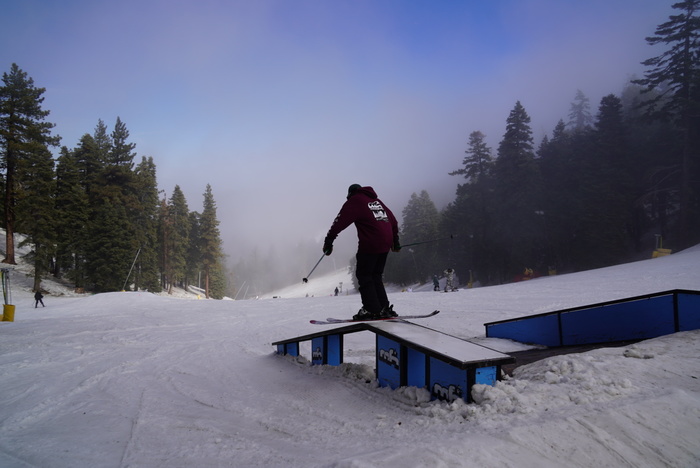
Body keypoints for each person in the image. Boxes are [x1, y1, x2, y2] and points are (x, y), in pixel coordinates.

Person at [323, 184, 400, 320]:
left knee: (364, 275)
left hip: (371, 242)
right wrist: (395, 240)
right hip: (385, 243)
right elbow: (393, 220)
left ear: (350, 194)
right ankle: (384, 308)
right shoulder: (376, 201)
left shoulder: (356, 200)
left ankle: (371, 309)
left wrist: (329, 240)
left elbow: (340, 221)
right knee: (375, 275)